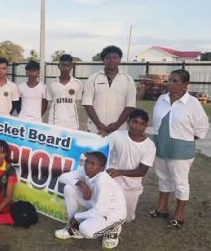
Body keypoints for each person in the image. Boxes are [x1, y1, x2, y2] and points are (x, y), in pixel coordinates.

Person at [148, 69, 209, 229]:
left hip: (181, 150)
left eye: (175, 81)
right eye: (170, 80)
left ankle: (179, 213)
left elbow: (201, 128)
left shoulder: (193, 103)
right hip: (161, 146)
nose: (170, 83)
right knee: (163, 178)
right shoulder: (162, 99)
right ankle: (162, 208)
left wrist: (184, 140)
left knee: (180, 182)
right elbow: (156, 123)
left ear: (185, 84)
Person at [54, 152, 126, 249]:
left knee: (85, 229)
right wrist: (80, 183)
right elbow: (62, 177)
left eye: (93, 164)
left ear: (101, 169)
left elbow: (99, 211)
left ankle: (113, 227)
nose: (88, 166)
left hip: (112, 213)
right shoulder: (85, 171)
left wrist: (77, 216)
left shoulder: (103, 181)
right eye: (87, 162)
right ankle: (73, 227)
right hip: (95, 205)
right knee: (69, 188)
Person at [106, 109, 156, 222]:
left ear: (146, 126)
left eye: (141, 124)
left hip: (132, 185)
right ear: (128, 122)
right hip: (113, 179)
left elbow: (142, 171)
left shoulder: (149, 145)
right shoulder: (117, 135)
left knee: (127, 218)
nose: (137, 126)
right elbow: (102, 150)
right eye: (134, 122)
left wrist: (120, 172)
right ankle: (109, 227)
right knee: (109, 209)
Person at [82, 46, 136, 136]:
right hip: (95, 129)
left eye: (115, 57)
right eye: (108, 58)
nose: (111, 60)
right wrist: (99, 125)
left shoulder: (128, 79)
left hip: (119, 130)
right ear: (103, 60)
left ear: (119, 59)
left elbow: (130, 106)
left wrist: (117, 125)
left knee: (117, 150)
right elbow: (87, 104)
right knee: (95, 151)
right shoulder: (93, 78)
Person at [46, 54, 83, 130]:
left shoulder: (78, 83)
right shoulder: (51, 83)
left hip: (72, 124)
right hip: (54, 123)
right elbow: (49, 104)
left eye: (68, 66)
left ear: (71, 66)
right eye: (63, 65)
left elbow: (77, 103)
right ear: (59, 66)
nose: (65, 68)